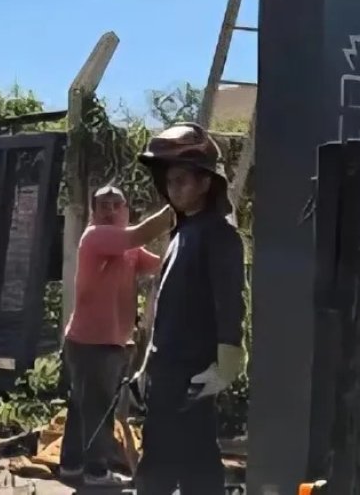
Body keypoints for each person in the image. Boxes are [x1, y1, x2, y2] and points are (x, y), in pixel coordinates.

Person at [134, 122, 246, 495]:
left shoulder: (218, 235)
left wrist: (229, 357)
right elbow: (168, 309)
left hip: (193, 374)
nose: (174, 187)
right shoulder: (181, 233)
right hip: (167, 372)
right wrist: (146, 367)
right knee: (163, 463)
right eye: (170, 180)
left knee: (192, 466)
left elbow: (230, 298)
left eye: (183, 180)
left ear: (205, 183)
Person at [59, 185, 173, 488]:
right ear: (94, 212)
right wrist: (176, 207)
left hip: (106, 341)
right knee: (98, 408)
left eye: (115, 205)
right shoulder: (97, 236)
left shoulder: (127, 247)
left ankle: (71, 466)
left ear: (126, 209)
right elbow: (138, 235)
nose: (109, 211)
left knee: (83, 407)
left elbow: (158, 265)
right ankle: (97, 472)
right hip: (93, 342)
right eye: (103, 206)